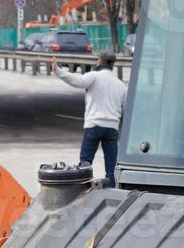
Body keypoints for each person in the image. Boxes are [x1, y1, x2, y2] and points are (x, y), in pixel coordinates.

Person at [54, 53, 128, 186]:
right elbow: (127, 107)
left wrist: (57, 70)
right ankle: (111, 190)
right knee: (111, 165)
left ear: (99, 61)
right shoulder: (120, 85)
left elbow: (76, 81)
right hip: (112, 128)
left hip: (94, 125)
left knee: (86, 161)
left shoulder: (94, 76)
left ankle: (83, 189)